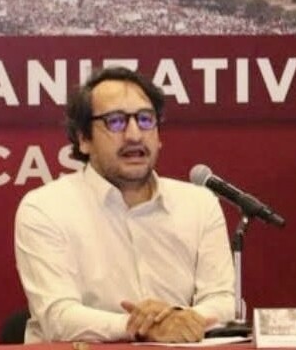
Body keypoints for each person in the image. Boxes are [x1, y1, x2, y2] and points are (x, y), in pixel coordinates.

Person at [15, 66, 235, 342]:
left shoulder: (199, 204)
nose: (134, 135)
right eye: (115, 121)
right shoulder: (45, 208)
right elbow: (58, 318)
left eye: (145, 119)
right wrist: (145, 327)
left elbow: (223, 301)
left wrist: (177, 318)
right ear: (83, 139)